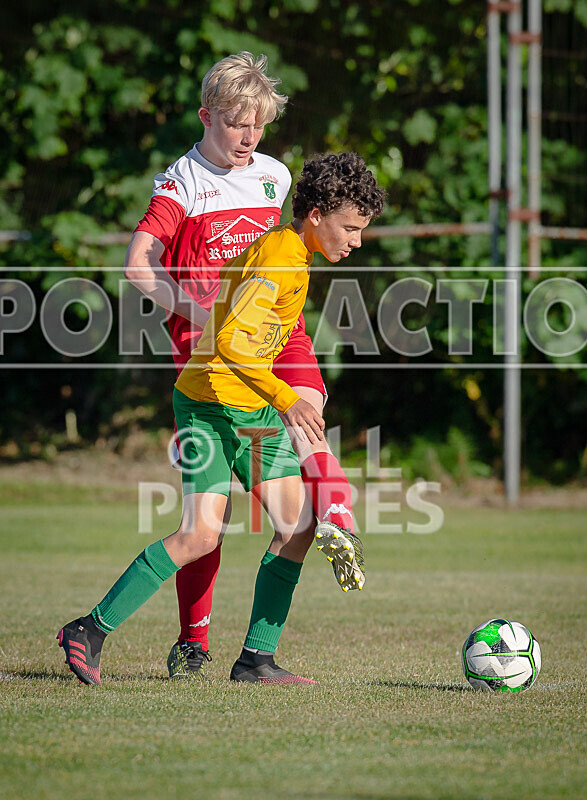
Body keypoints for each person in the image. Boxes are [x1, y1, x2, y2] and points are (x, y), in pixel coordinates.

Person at [57, 152, 385, 686]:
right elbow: (232, 343)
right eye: (350, 227)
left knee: (298, 527)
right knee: (199, 536)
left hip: (246, 406)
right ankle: (89, 629)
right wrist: (287, 398)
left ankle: (256, 660)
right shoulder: (280, 258)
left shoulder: (290, 252)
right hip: (211, 405)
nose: (356, 240)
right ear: (318, 214)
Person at [122, 51, 377, 680]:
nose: (250, 138)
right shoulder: (179, 183)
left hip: (273, 337)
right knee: (211, 520)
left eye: (259, 125)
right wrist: (200, 310)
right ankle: (193, 638)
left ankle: (335, 513)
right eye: (238, 124)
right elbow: (137, 267)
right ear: (208, 116)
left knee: (309, 412)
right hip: (211, 352)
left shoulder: (275, 177)